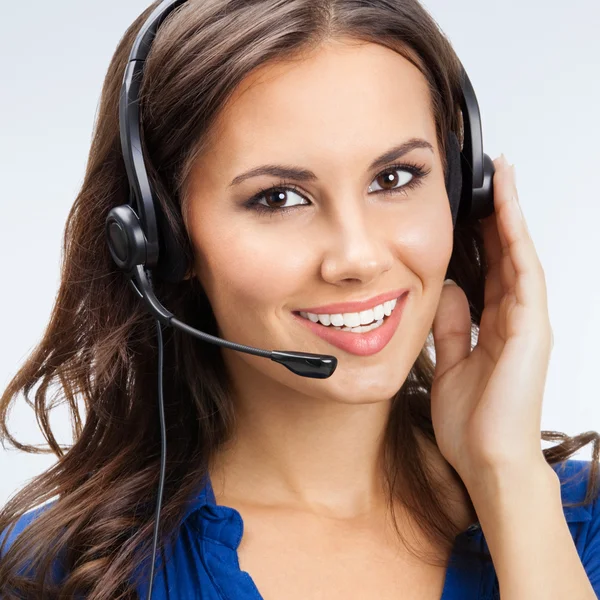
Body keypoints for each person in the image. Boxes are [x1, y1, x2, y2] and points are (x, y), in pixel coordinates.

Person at [1, 0, 599, 598]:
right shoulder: (57, 574)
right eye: (279, 198)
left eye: (393, 178)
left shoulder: (577, 526)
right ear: (162, 239)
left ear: (458, 186)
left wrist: (509, 479)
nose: (358, 258)